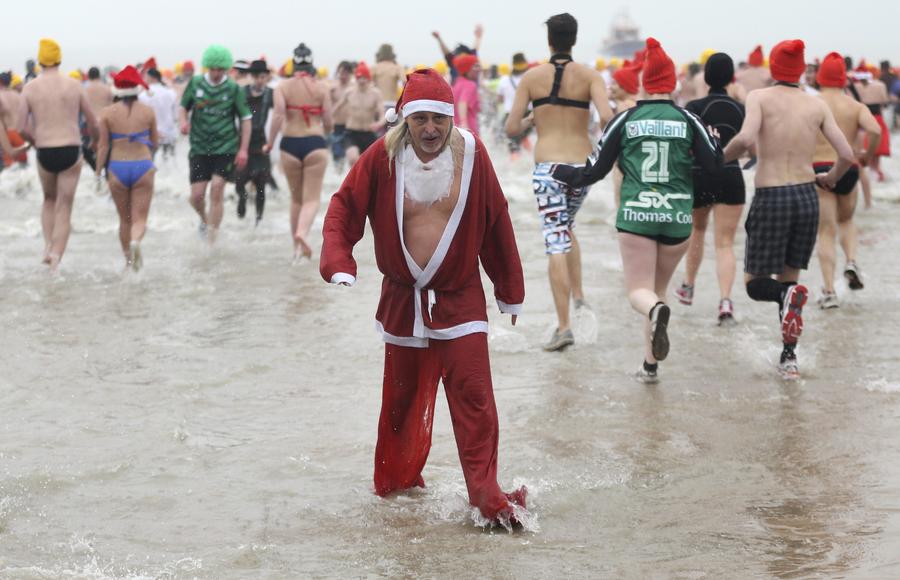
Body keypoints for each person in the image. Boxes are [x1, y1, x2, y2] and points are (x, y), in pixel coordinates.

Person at [321, 68, 527, 525]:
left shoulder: (473, 155)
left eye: (439, 119)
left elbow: (496, 220)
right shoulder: (382, 156)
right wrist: (339, 261)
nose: (430, 129)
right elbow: (344, 207)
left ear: (451, 118)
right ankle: (397, 490)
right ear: (405, 121)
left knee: (475, 397)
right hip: (403, 299)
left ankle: (486, 496)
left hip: (460, 295)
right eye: (420, 120)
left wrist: (508, 289)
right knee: (401, 403)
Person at [553, 38, 722, 383]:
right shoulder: (688, 119)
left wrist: (560, 171)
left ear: (645, 81)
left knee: (640, 294)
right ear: (672, 84)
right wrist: (714, 141)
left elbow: (595, 170)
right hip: (677, 219)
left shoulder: (626, 119)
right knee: (656, 291)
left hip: (637, 217)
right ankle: (650, 366)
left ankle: (657, 317)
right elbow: (715, 165)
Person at [723, 40, 855, 379]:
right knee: (791, 279)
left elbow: (746, 139)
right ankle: (789, 359)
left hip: (772, 195)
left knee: (756, 285)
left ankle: (784, 297)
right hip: (807, 197)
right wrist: (829, 179)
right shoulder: (816, 105)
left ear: (773, 68)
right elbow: (847, 156)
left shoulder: (759, 98)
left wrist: (716, 158)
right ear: (800, 71)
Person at [505, 12, 614, 351]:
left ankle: (564, 327)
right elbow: (608, 118)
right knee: (567, 226)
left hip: (548, 169)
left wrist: (534, 117)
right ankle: (579, 296)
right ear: (575, 39)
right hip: (583, 168)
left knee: (555, 240)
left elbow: (510, 129)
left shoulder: (531, 78)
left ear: (549, 41)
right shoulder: (591, 76)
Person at [674, 53, 746, 325]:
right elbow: (748, 144)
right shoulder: (741, 109)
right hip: (731, 175)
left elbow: (685, 145)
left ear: (706, 77)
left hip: (700, 174)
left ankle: (688, 286)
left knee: (698, 231)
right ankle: (725, 301)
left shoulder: (694, 106)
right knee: (725, 243)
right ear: (731, 78)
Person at [17, 38, 99, 272]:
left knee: (49, 200)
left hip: (44, 150)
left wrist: (34, 142)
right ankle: (55, 258)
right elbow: (92, 121)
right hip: (71, 149)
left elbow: (21, 126)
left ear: (40, 61)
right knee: (65, 205)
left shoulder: (30, 88)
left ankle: (47, 246)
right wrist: (94, 141)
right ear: (59, 59)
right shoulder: (73, 85)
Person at [812, 52, 881, 309]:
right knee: (847, 220)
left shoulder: (813, 103)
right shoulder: (855, 106)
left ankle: (829, 291)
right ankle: (851, 260)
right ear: (843, 79)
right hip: (849, 168)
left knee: (826, 231)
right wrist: (866, 156)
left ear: (820, 78)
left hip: (819, 167)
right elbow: (874, 129)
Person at [178, 44, 251, 244]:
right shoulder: (195, 83)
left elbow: (245, 119)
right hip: (199, 148)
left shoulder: (233, 88)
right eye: (213, 69)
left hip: (225, 147)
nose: (217, 73)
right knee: (196, 196)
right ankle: (205, 220)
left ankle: (212, 240)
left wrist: (243, 150)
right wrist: (183, 122)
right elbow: (183, 107)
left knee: (217, 188)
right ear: (207, 67)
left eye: (221, 69)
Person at [266, 43, 332, 260]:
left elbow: (277, 116)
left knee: (296, 199)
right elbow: (329, 121)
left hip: (290, 144)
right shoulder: (322, 88)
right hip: (314, 143)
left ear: (293, 64)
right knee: (311, 199)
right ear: (312, 63)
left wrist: (269, 143)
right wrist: (326, 134)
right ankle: (302, 233)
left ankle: (295, 248)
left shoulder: (282, 87)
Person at [95, 66, 157, 271]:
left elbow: (103, 146)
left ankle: (128, 262)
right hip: (142, 165)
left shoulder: (106, 113)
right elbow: (154, 143)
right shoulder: (148, 112)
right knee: (140, 219)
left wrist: (97, 174)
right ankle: (136, 242)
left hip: (117, 167)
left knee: (124, 220)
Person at [235, 59, 274, 225]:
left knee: (261, 185)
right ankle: (242, 198)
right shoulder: (242, 92)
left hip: (262, 143)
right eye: (256, 76)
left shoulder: (271, 94)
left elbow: (279, 115)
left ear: (266, 77)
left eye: (263, 77)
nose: (259, 80)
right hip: (243, 142)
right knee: (239, 180)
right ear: (251, 76)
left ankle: (259, 219)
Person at [333, 62, 382, 168]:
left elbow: (383, 115)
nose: (361, 80)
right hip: (351, 133)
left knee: (370, 165)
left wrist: (379, 123)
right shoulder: (349, 93)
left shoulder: (375, 94)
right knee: (353, 158)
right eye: (359, 77)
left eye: (364, 77)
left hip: (369, 134)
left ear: (369, 79)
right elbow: (336, 108)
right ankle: (354, 182)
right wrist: (327, 121)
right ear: (356, 78)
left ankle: (364, 183)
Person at [853, 62, 891, 181]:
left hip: (862, 119)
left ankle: (866, 174)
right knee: (877, 150)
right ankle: (876, 171)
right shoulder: (880, 85)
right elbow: (885, 102)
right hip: (877, 118)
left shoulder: (856, 86)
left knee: (862, 150)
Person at [497, 53, 533, 160]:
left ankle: (514, 169)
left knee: (513, 144)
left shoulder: (504, 80)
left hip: (510, 116)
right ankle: (532, 160)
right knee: (523, 137)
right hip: (527, 115)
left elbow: (500, 100)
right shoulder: (530, 78)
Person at [139, 68, 178, 161]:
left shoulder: (143, 96)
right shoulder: (171, 93)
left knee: (152, 164)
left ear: (152, 78)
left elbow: (141, 119)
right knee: (170, 164)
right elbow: (176, 116)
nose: (144, 80)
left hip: (152, 135)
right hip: (169, 134)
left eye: (146, 78)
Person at [329, 61, 355, 171]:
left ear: (350, 74)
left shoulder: (355, 88)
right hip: (337, 126)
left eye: (345, 73)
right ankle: (336, 182)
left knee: (352, 157)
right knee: (337, 157)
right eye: (340, 73)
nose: (342, 76)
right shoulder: (332, 88)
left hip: (351, 127)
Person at [451, 54, 481, 136]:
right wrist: (464, 125)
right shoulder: (471, 85)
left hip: (456, 130)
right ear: (467, 69)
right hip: (469, 131)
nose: (479, 69)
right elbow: (462, 103)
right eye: (475, 66)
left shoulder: (456, 84)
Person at [372, 44, 405, 111]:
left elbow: (370, 85)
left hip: (378, 104)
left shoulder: (375, 67)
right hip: (392, 103)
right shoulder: (397, 67)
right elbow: (405, 83)